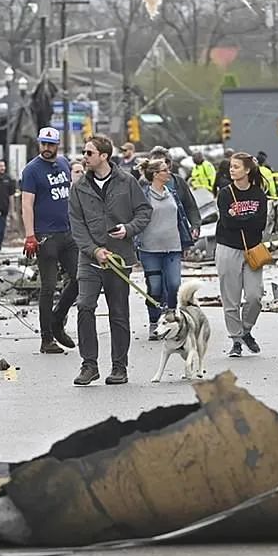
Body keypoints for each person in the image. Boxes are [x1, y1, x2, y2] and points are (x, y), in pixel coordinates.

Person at [68, 134, 151, 386]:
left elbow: (144, 211)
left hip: (119, 257)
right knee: (84, 306)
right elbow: (77, 224)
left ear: (104, 156)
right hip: (89, 259)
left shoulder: (127, 182)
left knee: (118, 312)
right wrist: (94, 250)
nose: (85, 157)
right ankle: (89, 365)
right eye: (84, 152)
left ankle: (119, 367)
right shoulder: (79, 187)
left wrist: (128, 228)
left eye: (89, 153)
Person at [21, 127, 78, 354]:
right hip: (45, 236)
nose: (46, 148)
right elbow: (26, 204)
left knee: (79, 278)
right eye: (43, 144)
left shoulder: (64, 163)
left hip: (67, 232)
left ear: (57, 145)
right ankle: (47, 339)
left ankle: (57, 319)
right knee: (48, 287)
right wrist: (29, 235)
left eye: (50, 144)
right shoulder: (32, 170)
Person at [215, 152, 267, 358]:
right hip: (228, 248)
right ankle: (235, 340)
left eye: (236, 167)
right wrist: (247, 219)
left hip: (253, 249)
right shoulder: (226, 194)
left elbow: (260, 224)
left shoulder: (258, 194)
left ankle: (246, 329)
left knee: (255, 296)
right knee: (231, 298)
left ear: (247, 170)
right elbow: (227, 223)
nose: (232, 170)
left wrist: (239, 217)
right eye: (231, 167)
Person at [137, 158, 195, 340]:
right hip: (150, 249)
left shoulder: (172, 193)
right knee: (154, 287)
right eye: (165, 170)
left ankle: (170, 321)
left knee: (174, 284)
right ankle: (155, 321)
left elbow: (181, 218)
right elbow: (136, 218)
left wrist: (185, 243)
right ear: (155, 175)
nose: (169, 173)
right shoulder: (144, 195)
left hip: (173, 247)